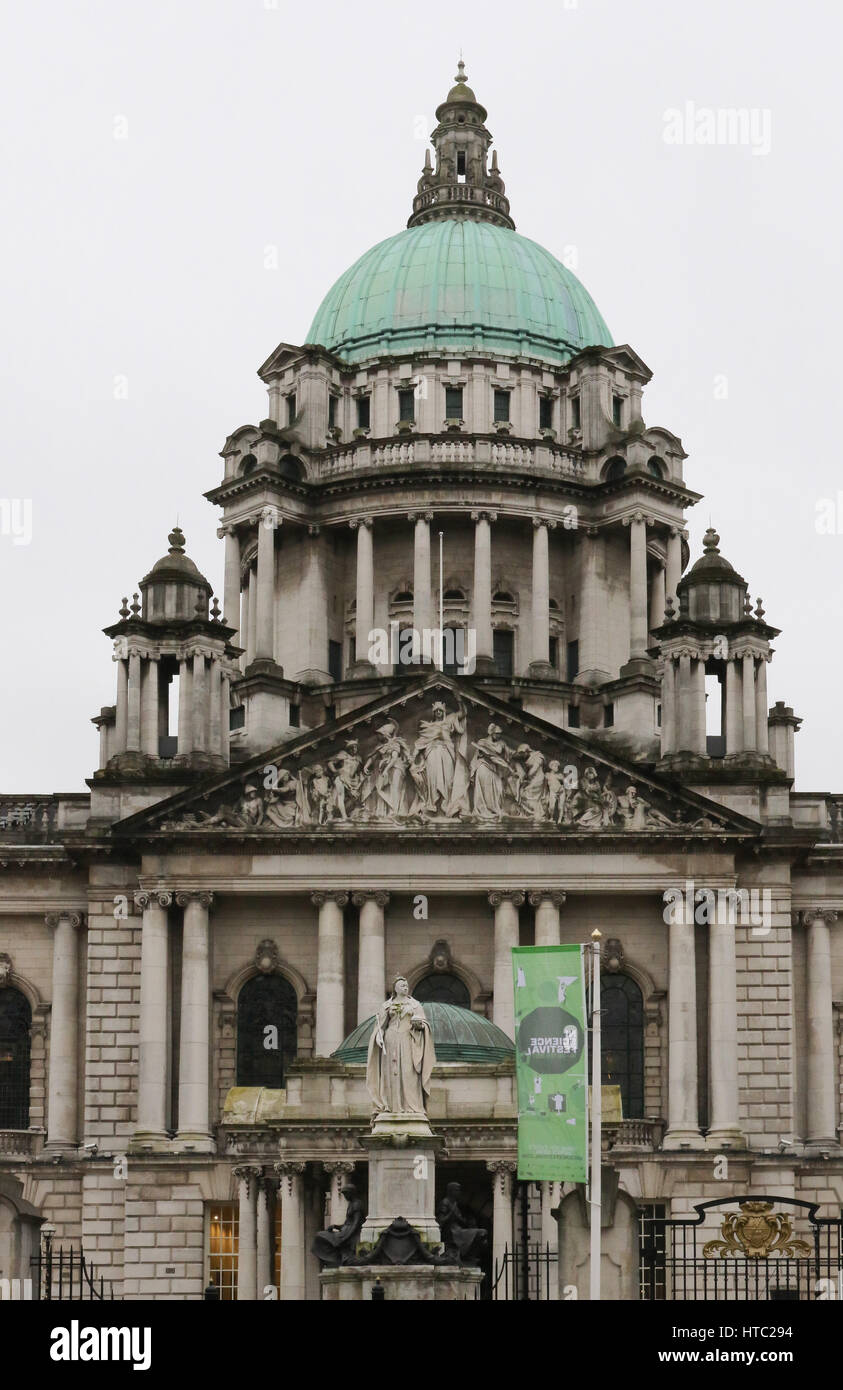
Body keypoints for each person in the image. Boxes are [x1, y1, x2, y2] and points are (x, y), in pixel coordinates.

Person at [365, 976, 435, 1115]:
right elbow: (380, 1026)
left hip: (408, 1039)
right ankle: (391, 1106)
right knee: (391, 1072)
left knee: (409, 1072)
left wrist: (419, 1025)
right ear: (395, 988)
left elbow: (424, 1024)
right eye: (402, 985)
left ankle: (411, 1106)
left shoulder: (415, 1005)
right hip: (390, 1040)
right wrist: (379, 1036)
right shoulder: (386, 1005)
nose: (405, 987)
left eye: (406, 985)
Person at [311, 1184, 366, 1268]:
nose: (345, 1197)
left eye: (346, 1194)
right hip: (345, 1231)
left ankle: (335, 1260)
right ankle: (334, 1260)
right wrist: (335, 1226)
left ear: (351, 1193)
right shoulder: (351, 1204)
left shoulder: (357, 1204)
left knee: (320, 1237)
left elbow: (356, 1223)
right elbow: (347, 1223)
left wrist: (346, 1237)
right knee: (319, 1236)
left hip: (349, 1234)